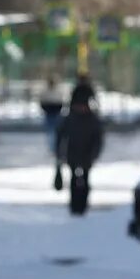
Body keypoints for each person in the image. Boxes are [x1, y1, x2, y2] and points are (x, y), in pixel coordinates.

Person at [57, 80, 105, 215]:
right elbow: (61, 135)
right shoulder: (72, 118)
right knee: (74, 178)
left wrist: (94, 153)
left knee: (85, 178)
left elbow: (98, 138)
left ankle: (82, 204)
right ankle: (76, 205)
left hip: (86, 152)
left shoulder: (89, 119)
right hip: (74, 151)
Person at [39, 78, 66, 191]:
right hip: (50, 114)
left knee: (54, 132)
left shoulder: (57, 92)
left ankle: (56, 148)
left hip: (55, 113)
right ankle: (54, 148)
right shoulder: (46, 92)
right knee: (51, 133)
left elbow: (60, 102)